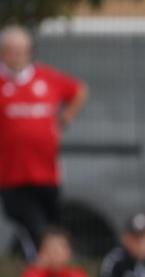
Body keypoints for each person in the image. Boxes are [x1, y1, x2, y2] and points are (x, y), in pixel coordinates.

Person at [0, 25, 88, 261]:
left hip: (47, 175)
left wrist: (65, 118)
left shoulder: (46, 78)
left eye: (21, 50)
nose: (16, 56)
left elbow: (79, 90)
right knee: (38, 234)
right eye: (11, 50)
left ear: (29, 51)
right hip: (13, 179)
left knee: (53, 234)